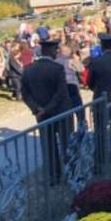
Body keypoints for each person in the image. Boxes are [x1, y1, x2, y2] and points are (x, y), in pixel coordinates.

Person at [21, 39, 72, 184]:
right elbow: (61, 92)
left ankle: (53, 176)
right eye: (56, 50)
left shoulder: (28, 69)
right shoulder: (57, 68)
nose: (57, 53)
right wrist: (47, 108)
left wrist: (37, 109)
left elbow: (25, 94)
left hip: (42, 115)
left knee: (49, 146)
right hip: (61, 112)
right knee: (67, 143)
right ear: (50, 51)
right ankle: (70, 173)